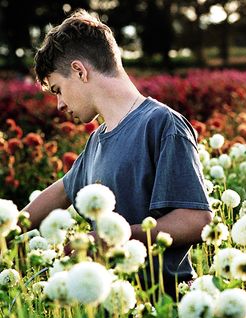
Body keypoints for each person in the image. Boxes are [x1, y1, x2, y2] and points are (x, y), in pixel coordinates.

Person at [24, 10, 212, 296]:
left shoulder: (161, 124)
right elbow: (61, 191)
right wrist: (7, 229)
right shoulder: (97, 141)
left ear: (79, 70)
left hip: (165, 306)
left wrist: (113, 238)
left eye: (58, 90)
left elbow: (195, 220)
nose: (60, 104)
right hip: (112, 308)